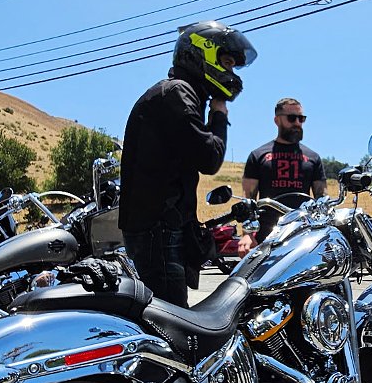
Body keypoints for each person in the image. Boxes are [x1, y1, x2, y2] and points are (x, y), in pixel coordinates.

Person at [119, 20, 256, 307]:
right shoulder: (178, 93)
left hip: (159, 228)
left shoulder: (176, 93)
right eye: (227, 62)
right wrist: (219, 113)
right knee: (170, 323)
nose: (230, 72)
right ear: (202, 54)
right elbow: (210, 157)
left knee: (168, 315)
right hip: (158, 231)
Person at [237, 97, 326, 255]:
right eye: (292, 118)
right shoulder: (258, 156)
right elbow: (248, 200)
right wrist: (247, 234)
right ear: (277, 120)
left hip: (303, 237)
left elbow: (322, 200)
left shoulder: (313, 157)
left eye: (301, 118)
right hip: (267, 236)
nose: (297, 123)